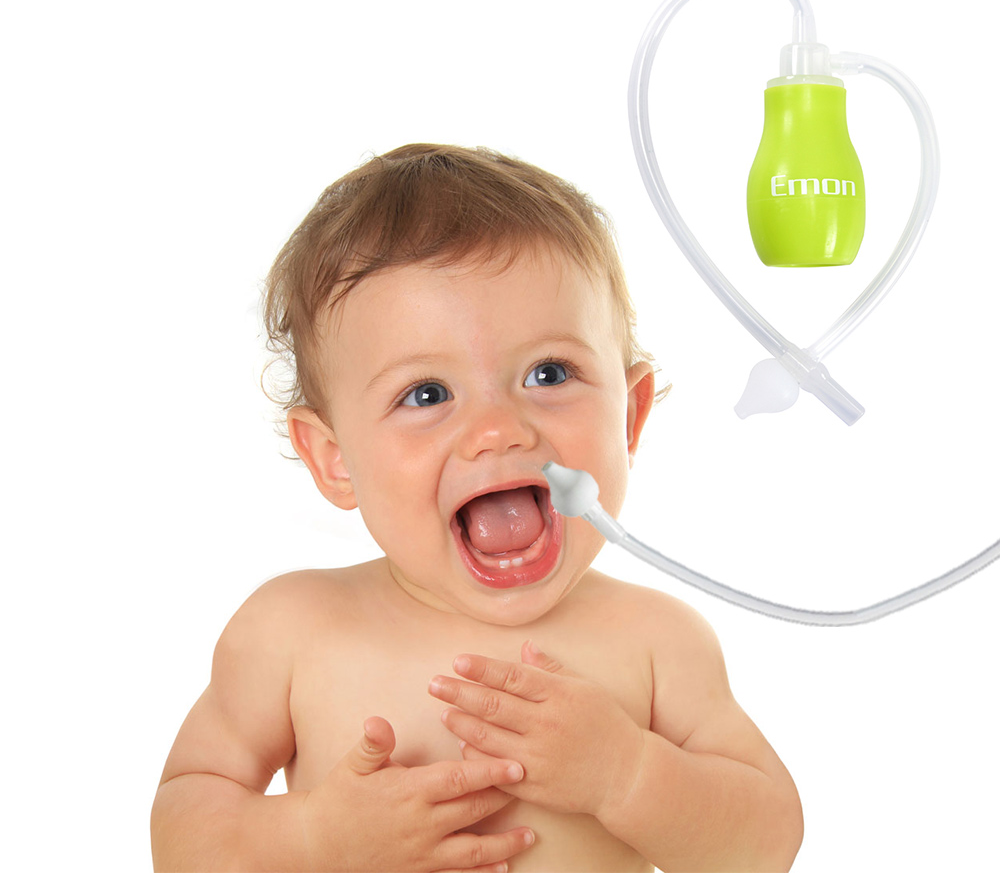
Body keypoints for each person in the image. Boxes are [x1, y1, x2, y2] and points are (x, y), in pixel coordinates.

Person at [150, 144, 803, 872]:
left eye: (548, 374)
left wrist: (626, 774)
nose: (498, 430)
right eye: (426, 394)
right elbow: (181, 835)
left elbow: (765, 844)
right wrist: (313, 837)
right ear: (334, 458)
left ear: (629, 415)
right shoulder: (291, 630)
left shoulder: (657, 640)